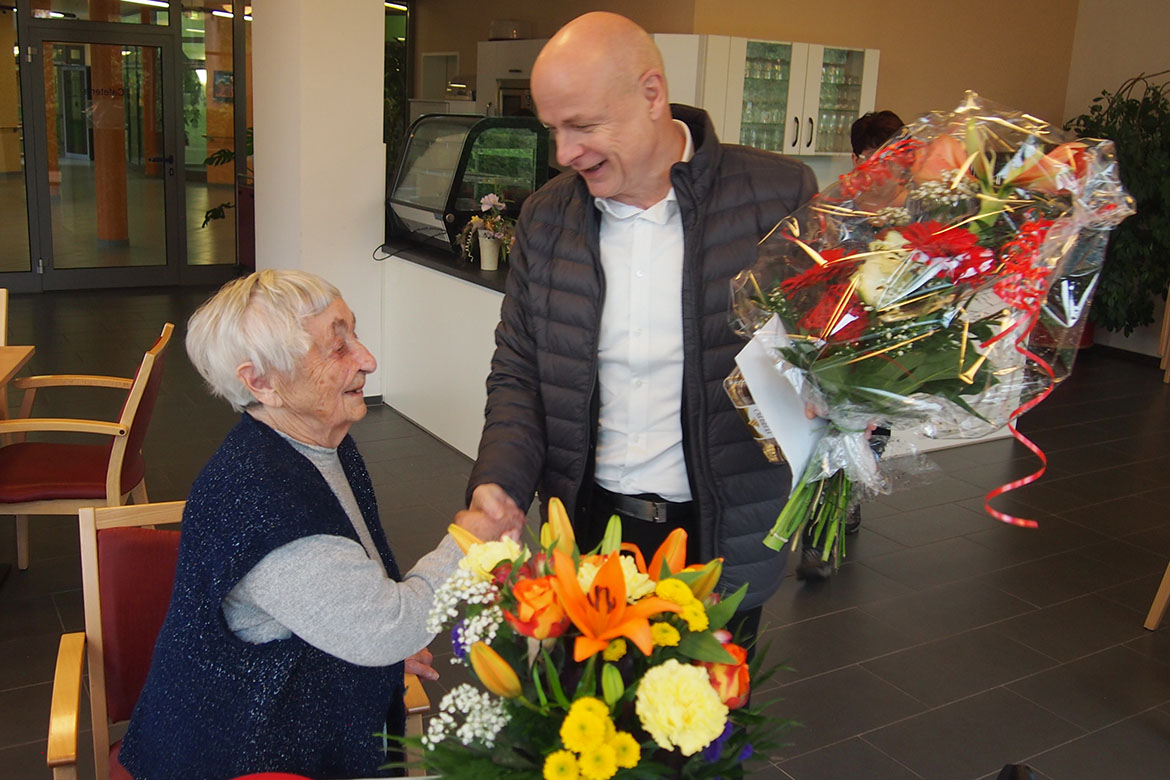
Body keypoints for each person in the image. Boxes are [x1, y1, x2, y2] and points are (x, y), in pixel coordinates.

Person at [465, 12, 818, 643]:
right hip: (586, 532)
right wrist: (499, 482)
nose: (564, 153)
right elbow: (519, 373)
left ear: (651, 95)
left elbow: (827, 351)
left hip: (720, 537)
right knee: (584, 732)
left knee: (699, 732)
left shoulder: (776, 195)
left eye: (582, 125)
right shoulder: (548, 218)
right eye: (553, 129)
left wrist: (852, 404)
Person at [118, 271, 521, 780]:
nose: (368, 359)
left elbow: (340, 603)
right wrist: (469, 543)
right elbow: (388, 626)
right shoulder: (264, 499)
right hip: (248, 757)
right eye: (337, 348)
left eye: (354, 332)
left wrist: (362, 646)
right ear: (261, 382)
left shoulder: (317, 444)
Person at [795, 109, 903, 581]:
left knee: (874, 428)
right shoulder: (836, 208)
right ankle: (819, 525)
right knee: (829, 431)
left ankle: (848, 501)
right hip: (834, 337)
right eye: (881, 157)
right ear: (859, 157)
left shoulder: (911, 207)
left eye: (900, 158)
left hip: (887, 341)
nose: (891, 169)